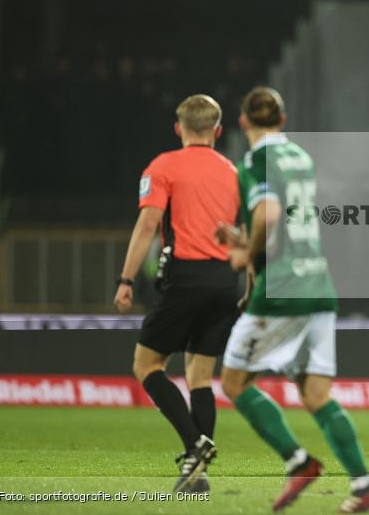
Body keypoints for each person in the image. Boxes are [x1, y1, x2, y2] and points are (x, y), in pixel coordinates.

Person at [216, 87, 369, 513]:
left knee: (234, 382)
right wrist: (247, 241)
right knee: (316, 396)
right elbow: (285, 223)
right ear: (284, 120)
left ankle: (298, 461)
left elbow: (269, 215)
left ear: (243, 122)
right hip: (318, 284)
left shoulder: (254, 161)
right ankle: (363, 486)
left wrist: (244, 253)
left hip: (284, 291)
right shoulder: (301, 158)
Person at [114, 94, 240, 493]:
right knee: (200, 375)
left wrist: (126, 279)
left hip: (186, 278)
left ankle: (194, 443)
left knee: (146, 365)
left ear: (179, 128)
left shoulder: (164, 166)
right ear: (218, 131)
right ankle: (196, 476)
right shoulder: (233, 172)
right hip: (224, 281)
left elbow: (148, 225)